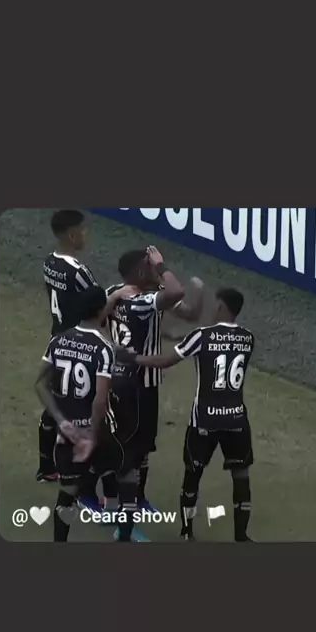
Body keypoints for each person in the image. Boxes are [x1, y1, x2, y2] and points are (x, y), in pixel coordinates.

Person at [117, 288, 254, 542]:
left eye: (215, 304)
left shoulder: (201, 336)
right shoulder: (248, 338)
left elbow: (165, 361)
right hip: (237, 420)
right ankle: (241, 536)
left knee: (193, 475)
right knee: (241, 476)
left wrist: (133, 358)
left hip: (204, 420)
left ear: (221, 307)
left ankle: (186, 532)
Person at [35, 285, 138, 543]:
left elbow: (39, 384)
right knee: (128, 476)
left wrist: (61, 422)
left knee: (68, 493)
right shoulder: (103, 348)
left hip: (67, 433)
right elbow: (100, 400)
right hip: (95, 432)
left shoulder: (58, 340)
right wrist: (91, 437)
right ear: (101, 310)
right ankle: (124, 536)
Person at [37, 209, 134, 484]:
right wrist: (117, 295)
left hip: (57, 339)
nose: (86, 234)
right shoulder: (78, 271)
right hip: (80, 343)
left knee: (56, 399)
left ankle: (46, 466)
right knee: (87, 402)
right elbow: (97, 305)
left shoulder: (49, 262)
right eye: (83, 229)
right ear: (72, 235)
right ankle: (90, 467)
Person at [107, 246, 205, 508]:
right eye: (150, 266)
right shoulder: (144, 301)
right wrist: (162, 266)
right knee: (136, 445)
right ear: (141, 272)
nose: (156, 271)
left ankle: (126, 497)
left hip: (116, 376)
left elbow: (189, 313)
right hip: (139, 382)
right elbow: (175, 293)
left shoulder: (115, 293)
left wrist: (199, 294)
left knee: (129, 441)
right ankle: (126, 501)